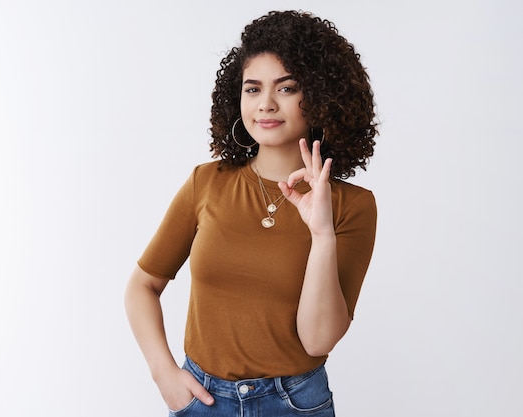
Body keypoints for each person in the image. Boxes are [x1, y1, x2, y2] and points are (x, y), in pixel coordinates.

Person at [124, 10, 378, 417]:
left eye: (287, 87)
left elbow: (317, 340)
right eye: (253, 89)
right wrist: (164, 375)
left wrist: (321, 234)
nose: (266, 104)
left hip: (295, 404)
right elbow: (142, 285)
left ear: (321, 96)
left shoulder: (352, 206)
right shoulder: (206, 183)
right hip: (201, 401)